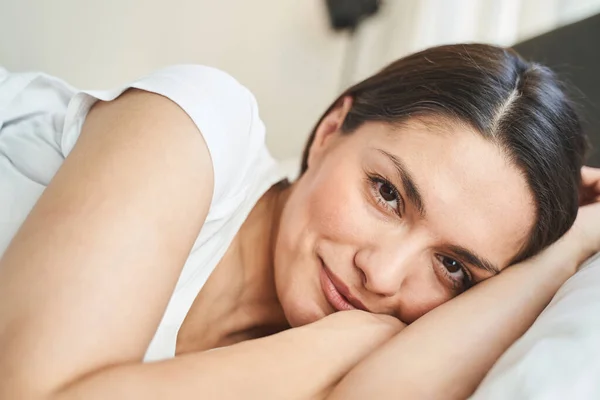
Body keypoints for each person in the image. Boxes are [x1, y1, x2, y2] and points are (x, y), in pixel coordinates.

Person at [0, 43, 599, 399]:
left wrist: (570, 246)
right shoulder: (203, 124)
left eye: (452, 267)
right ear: (332, 129)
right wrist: (344, 340)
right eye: (387, 194)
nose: (383, 275)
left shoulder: (326, 360)